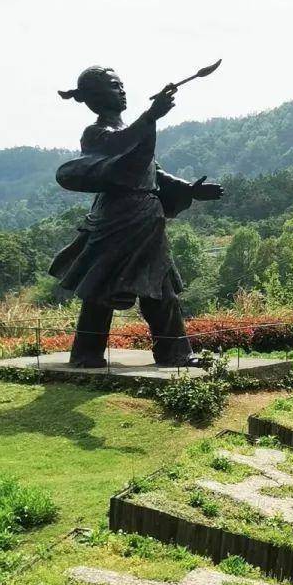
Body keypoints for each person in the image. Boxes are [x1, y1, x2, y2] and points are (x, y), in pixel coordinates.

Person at [50, 66, 222, 367]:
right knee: (101, 288)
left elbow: (152, 172)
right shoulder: (97, 133)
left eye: (122, 85)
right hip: (115, 219)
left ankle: (175, 353)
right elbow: (125, 149)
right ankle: (86, 353)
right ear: (96, 96)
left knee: (160, 287)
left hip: (147, 219)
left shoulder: (134, 129)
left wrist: (190, 189)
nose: (122, 91)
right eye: (115, 86)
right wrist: (150, 117)